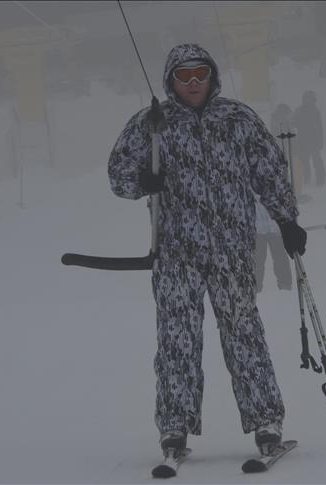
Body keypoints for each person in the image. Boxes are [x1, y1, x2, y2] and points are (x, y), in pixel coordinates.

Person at [107, 43, 307, 457]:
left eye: (201, 73)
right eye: (185, 76)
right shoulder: (152, 123)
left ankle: (265, 420)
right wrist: (144, 181)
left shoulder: (237, 118)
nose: (194, 82)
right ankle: (174, 425)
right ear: (171, 80)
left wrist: (286, 220)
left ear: (213, 75)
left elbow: (269, 170)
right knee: (177, 339)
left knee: (244, 334)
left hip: (231, 251)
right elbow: (119, 174)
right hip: (176, 254)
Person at [255, 199, 293, 292]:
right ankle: (255, 285)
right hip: (257, 226)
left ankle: (285, 283)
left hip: (275, 226)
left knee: (279, 256)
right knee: (257, 258)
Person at [292, 90, 326, 186]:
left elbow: (319, 127)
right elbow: (293, 123)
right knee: (305, 161)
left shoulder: (315, 111)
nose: (311, 101)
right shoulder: (300, 111)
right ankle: (307, 178)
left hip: (312, 141)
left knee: (315, 160)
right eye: (309, 99)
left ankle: (319, 179)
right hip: (304, 140)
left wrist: (320, 141)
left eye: (312, 99)